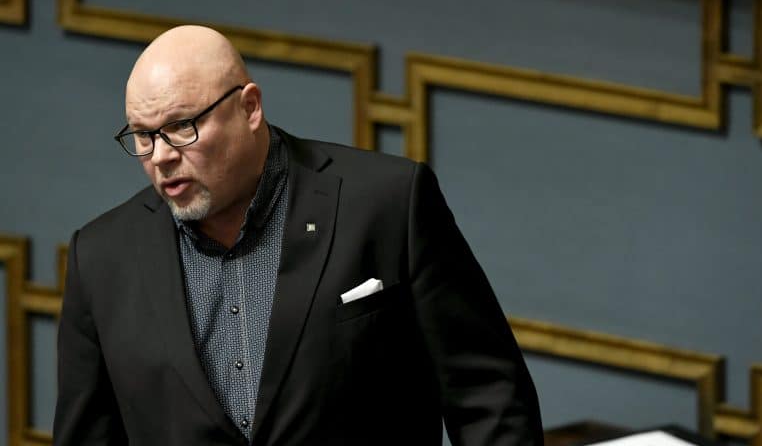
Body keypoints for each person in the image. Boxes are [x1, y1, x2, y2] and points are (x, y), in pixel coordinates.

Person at [53, 25, 543, 446]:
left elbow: (490, 400)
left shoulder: (388, 203)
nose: (160, 156)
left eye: (182, 127)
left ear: (249, 108)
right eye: (143, 136)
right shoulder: (101, 258)